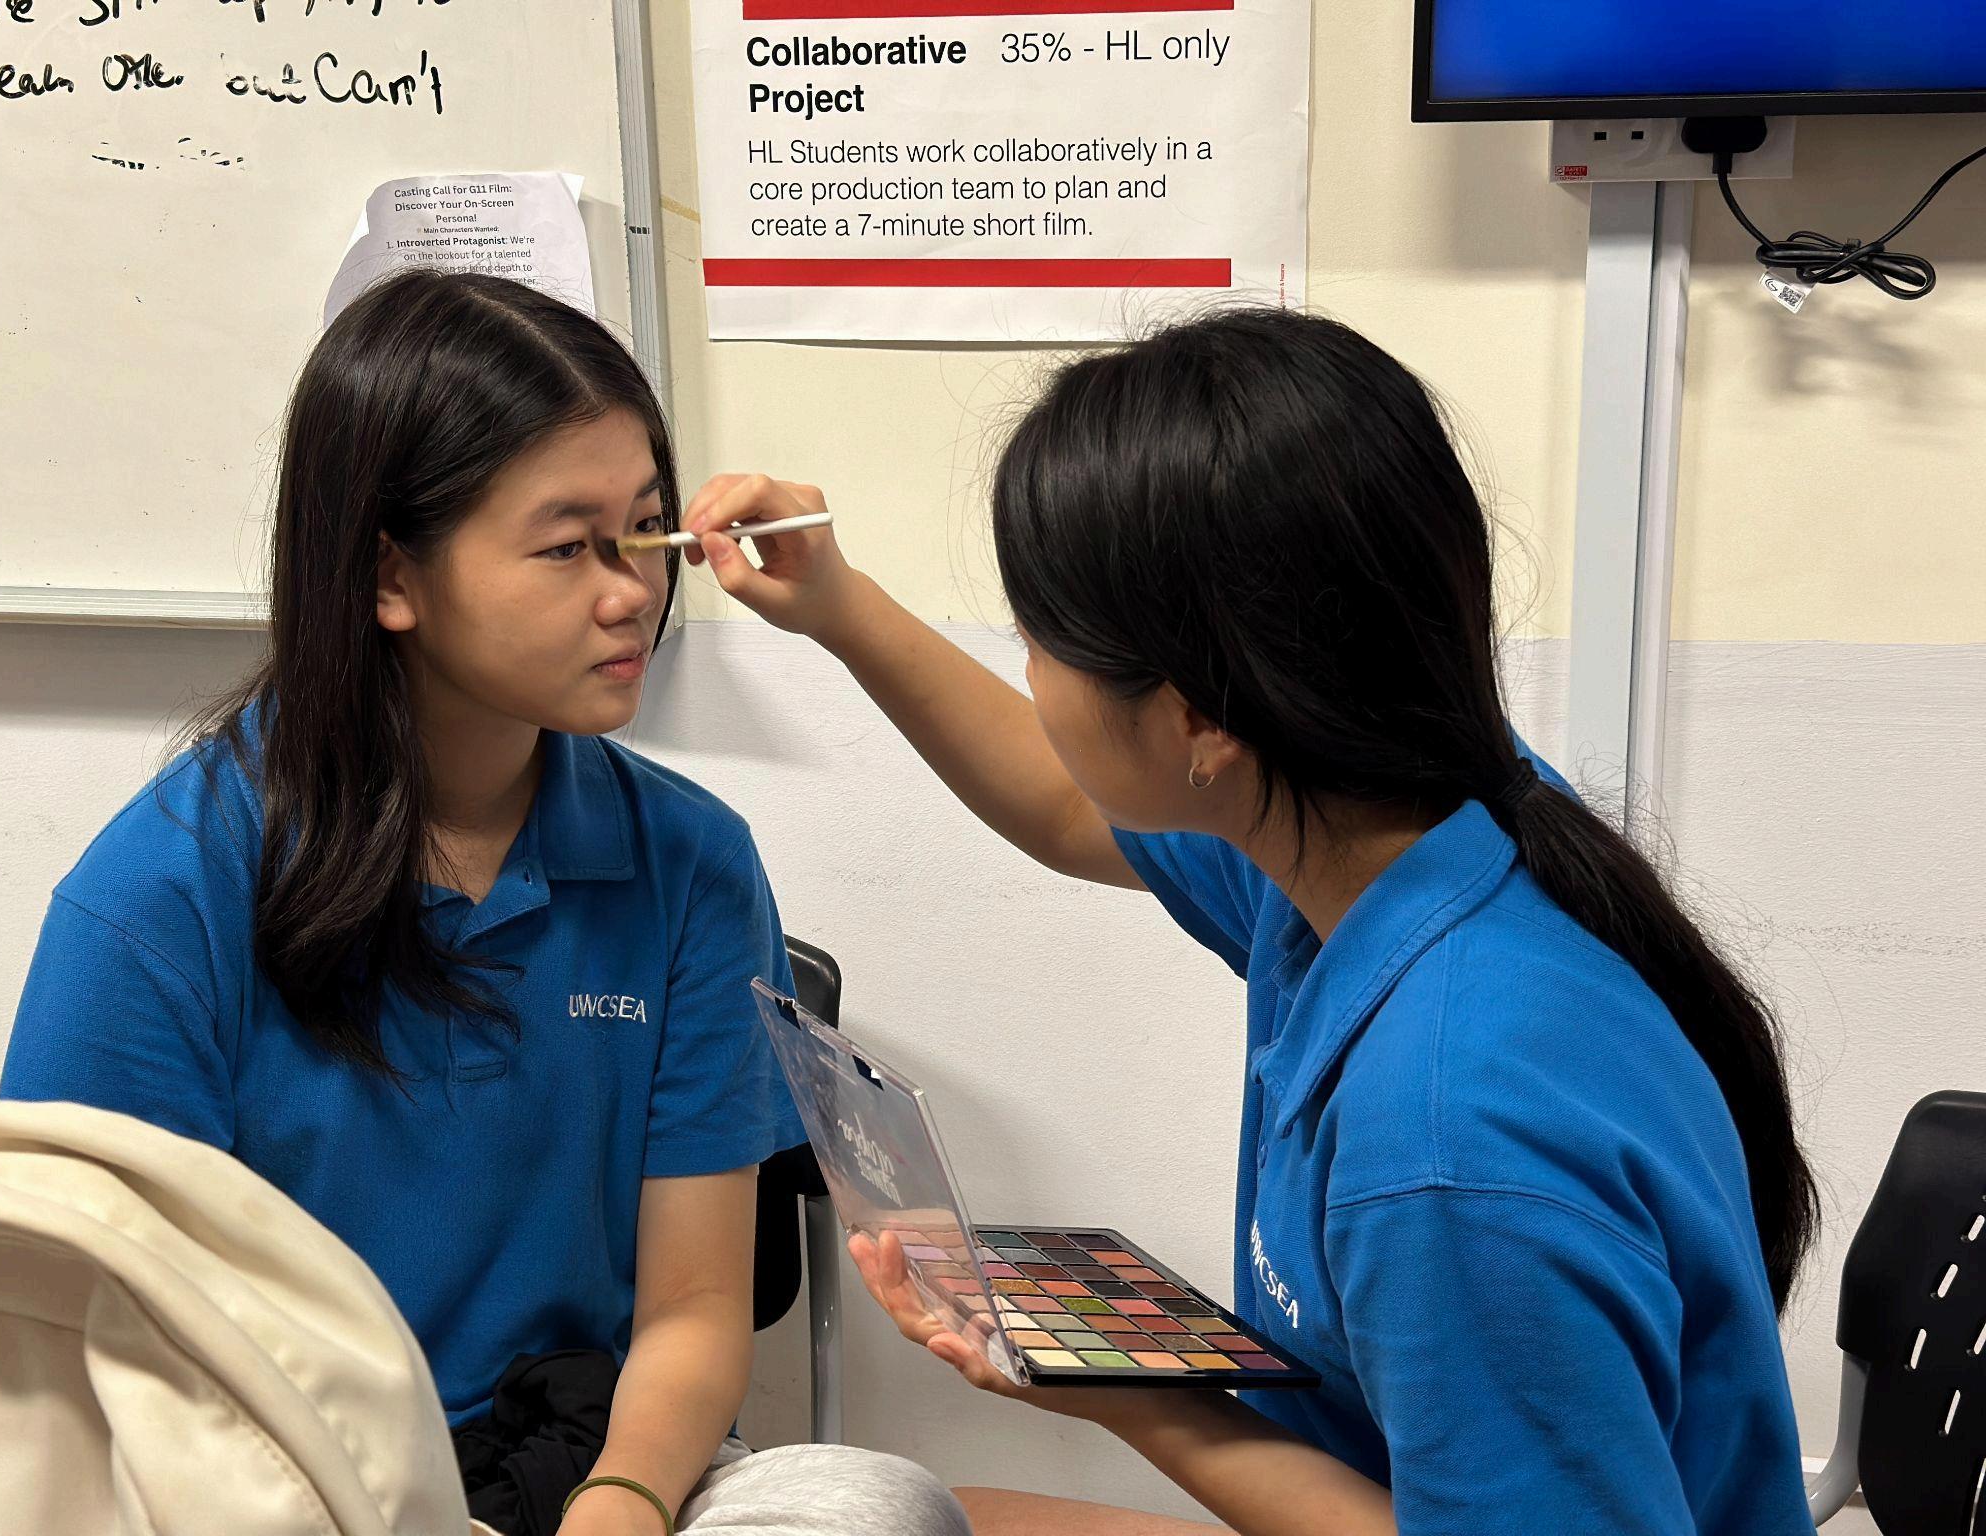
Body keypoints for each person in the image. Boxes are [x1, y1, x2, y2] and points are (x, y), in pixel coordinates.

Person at [680, 308, 1819, 1536]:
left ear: (1195, 723)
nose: (1030, 675)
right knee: (949, 1512)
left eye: (1036, 642)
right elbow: (1061, 801)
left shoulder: (1445, 1146)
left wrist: (1127, 1392)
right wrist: (838, 605)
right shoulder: (1391, 826)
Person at [1, 271, 969, 1536]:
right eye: (567, 548)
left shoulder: (691, 861)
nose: (631, 593)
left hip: (583, 1462)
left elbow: (691, 1311)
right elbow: (83, 1336)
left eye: (644, 532)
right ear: (390, 576)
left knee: (877, 1505)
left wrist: (621, 1502)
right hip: (270, 1483)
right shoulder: (164, 888)